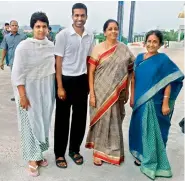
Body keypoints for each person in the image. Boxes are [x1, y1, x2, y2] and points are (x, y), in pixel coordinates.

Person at [129, 30, 184, 180]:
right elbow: (134, 79)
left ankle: (151, 160)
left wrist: (166, 102)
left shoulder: (163, 60)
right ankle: (141, 155)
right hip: (139, 100)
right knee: (140, 128)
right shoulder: (139, 58)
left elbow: (170, 81)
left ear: (160, 44)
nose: (151, 44)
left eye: (155, 42)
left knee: (152, 131)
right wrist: (132, 97)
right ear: (145, 42)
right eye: (149, 41)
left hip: (155, 102)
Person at [85, 19, 135, 166]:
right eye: (110, 29)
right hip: (100, 92)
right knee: (101, 122)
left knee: (115, 121)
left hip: (118, 93)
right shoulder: (98, 48)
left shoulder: (124, 49)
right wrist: (92, 94)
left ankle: (113, 152)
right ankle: (98, 153)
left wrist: (127, 91)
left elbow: (132, 69)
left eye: (116, 29)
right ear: (105, 32)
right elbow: (91, 73)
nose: (113, 31)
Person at [11, 12, 55, 177]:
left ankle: (39, 154)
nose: (41, 30)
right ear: (32, 28)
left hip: (46, 90)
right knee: (30, 123)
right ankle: (32, 159)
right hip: (28, 92)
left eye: (44, 26)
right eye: (38, 26)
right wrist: (22, 95)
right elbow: (18, 73)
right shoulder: (24, 46)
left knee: (42, 122)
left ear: (47, 29)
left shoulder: (51, 46)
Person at [54, 3, 94, 168]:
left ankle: (74, 150)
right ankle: (59, 154)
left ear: (86, 16)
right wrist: (60, 86)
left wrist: (89, 86)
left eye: (82, 15)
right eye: (76, 15)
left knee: (79, 119)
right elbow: (58, 62)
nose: (79, 19)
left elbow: (89, 59)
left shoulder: (90, 35)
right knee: (62, 119)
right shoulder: (63, 35)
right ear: (72, 16)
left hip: (81, 81)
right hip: (65, 80)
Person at [0, 20, 27, 101]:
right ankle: (16, 95)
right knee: (15, 79)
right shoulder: (6, 37)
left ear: (18, 27)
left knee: (23, 79)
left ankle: (24, 95)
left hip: (23, 62)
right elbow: (5, 49)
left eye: (16, 25)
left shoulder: (23, 36)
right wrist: (1, 61)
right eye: (13, 25)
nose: (14, 26)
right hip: (12, 62)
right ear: (10, 27)